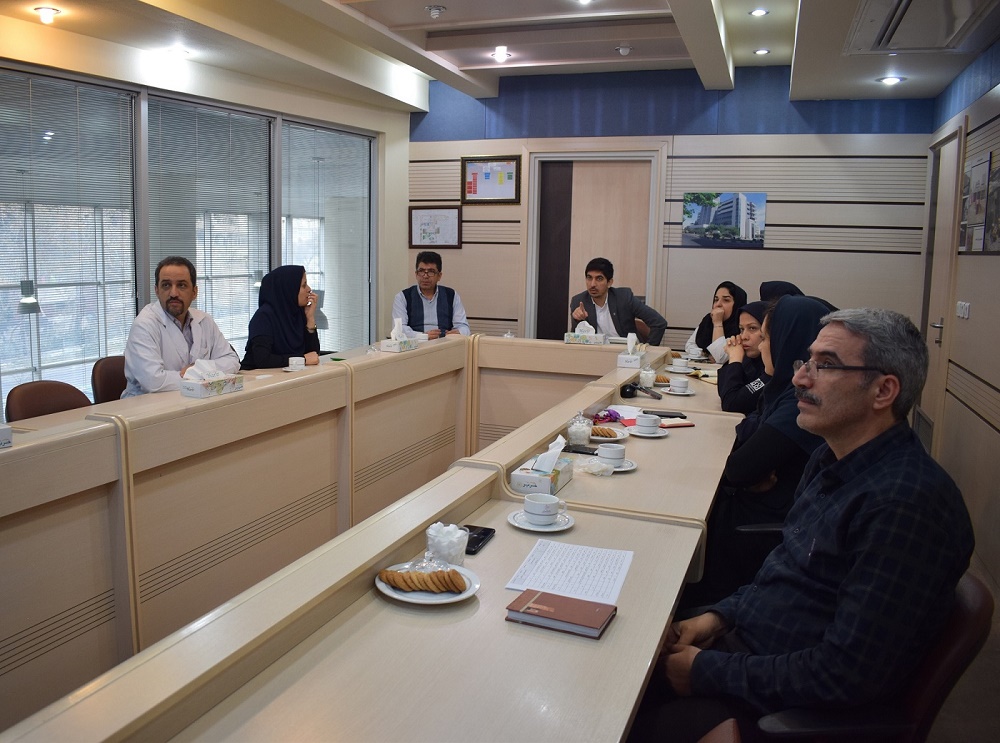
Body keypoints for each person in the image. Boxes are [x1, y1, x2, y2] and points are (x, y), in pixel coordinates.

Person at [630, 308, 975, 743]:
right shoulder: (831, 459)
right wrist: (715, 618)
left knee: (606, 710)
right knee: (612, 646)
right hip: (745, 648)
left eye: (825, 365)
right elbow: (782, 575)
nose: (799, 378)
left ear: (884, 390)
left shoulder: (905, 505)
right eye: (805, 361)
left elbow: (845, 674)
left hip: (774, 705)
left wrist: (705, 671)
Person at [682, 295, 828, 608]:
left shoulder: (797, 402)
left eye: (765, 337)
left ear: (787, 341)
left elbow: (739, 467)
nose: (760, 346)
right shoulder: (783, 391)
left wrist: (745, 471)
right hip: (763, 506)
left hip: (764, 525)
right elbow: (746, 430)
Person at [123, 256, 240, 397]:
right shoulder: (144, 325)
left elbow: (232, 361)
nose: (173, 293)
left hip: (195, 401)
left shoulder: (204, 320)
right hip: (146, 405)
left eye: (181, 285)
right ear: (157, 291)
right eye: (166, 285)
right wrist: (203, 374)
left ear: (194, 292)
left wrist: (198, 369)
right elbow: (153, 382)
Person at [569, 257, 667, 345]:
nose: (592, 284)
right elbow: (575, 340)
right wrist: (577, 320)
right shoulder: (579, 301)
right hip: (597, 352)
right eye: (589, 278)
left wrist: (648, 349)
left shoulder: (624, 298)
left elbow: (659, 323)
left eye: (599, 279)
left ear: (609, 282)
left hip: (626, 352)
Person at [241, 265, 321, 370]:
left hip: (285, 376)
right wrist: (302, 359)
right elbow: (262, 360)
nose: (309, 289)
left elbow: (313, 355)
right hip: (255, 376)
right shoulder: (264, 317)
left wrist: (310, 319)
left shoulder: (297, 313)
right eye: (303, 285)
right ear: (289, 289)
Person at [391, 251, 470, 339]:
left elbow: (464, 327)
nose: (425, 276)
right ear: (416, 274)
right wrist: (423, 336)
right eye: (421, 271)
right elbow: (399, 329)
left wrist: (459, 332)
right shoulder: (402, 297)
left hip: (444, 343)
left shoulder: (451, 295)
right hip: (416, 345)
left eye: (431, 272)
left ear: (439, 276)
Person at [716, 301, 769, 415]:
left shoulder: (772, 368)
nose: (744, 336)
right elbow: (725, 392)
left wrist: (735, 360)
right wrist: (734, 360)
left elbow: (731, 403)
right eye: (741, 329)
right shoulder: (749, 360)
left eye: (752, 328)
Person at [683, 281, 748, 362]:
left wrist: (717, 323)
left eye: (726, 300)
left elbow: (720, 357)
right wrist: (706, 355)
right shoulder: (708, 319)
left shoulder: (742, 326)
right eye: (716, 300)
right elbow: (689, 345)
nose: (718, 304)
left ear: (737, 304)